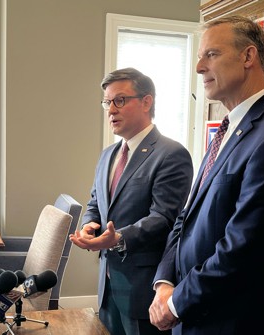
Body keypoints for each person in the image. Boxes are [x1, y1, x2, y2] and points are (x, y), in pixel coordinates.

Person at [148, 16, 264, 334]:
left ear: (248, 57)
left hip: (233, 323)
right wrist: (166, 282)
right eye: (199, 57)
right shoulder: (227, 129)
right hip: (194, 314)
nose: (198, 67)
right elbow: (187, 217)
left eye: (211, 54)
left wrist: (176, 302)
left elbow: (244, 250)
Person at [70, 67, 193, 335]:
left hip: (142, 288)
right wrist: (90, 225)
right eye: (107, 102)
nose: (111, 110)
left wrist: (117, 238)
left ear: (147, 101)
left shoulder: (171, 154)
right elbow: (95, 202)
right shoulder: (108, 155)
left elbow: (164, 219)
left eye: (120, 100)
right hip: (108, 283)